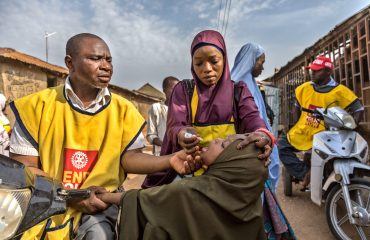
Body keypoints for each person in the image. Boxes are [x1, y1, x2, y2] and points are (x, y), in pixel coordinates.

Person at [9, 33, 201, 240]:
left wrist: (169, 160)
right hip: (47, 203)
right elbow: (25, 168)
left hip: (100, 205)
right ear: (70, 63)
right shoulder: (35, 107)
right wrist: (72, 196)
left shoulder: (124, 110)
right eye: (95, 58)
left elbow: (130, 158)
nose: (106, 66)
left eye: (109, 60)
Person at [142, 30, 275, 189]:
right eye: (199, 63)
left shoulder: (239, 91)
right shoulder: (184, 91)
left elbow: (253, 118)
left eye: (214, 61)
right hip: (191, 175)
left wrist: (261, 133)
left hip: (230, 178)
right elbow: (175, 126)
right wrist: (181, 134)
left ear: (224, 59)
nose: (207, 69)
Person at [98, 138, 268, 240]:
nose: (216, 140)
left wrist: (105, 197)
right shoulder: (251, 203)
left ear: (230, 164)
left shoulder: (190, 191)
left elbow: (143, 199)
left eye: (223, 145)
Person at [279, 56, 364, 187]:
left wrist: (350, 128)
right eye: (312, 70)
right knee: (282, 146)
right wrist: (296, 125)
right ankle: (305, 174)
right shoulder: (304, 88)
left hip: (327, 135)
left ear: (328, 72)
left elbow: (359, 109)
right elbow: (296, 106)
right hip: (304, 131)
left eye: (317, 70)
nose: (312, 73)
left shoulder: (340, 91)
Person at [230, 43, 280, 192]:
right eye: (261, 62)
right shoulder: (236, 85)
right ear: (251, 60)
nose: (262, 67)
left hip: (261, 139)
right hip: (247, 145)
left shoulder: (252, 84)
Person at [146, 76, 179, 156]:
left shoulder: (183, 109)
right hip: (161, 154)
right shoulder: (156, 108)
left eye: (178, 89)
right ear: (164, 90)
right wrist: (165, 145)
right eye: (173, 88)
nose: (176, 92)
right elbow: (151, 135)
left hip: (179, 154)